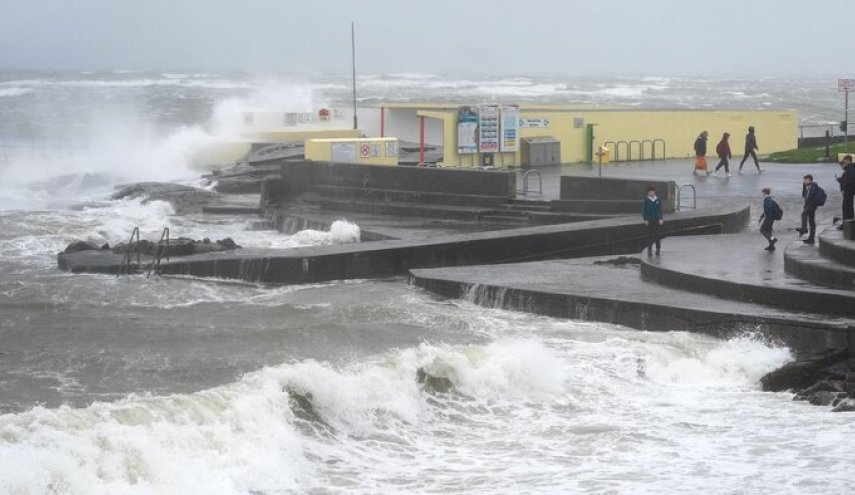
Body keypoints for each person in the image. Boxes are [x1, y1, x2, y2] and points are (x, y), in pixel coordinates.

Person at [797, 174, 823, 244]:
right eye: (804, 180)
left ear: (809, 180)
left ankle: (804, 229)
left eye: (805, 180)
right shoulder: (807, 186)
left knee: (803, 214)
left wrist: (807, 205)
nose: (804, 181)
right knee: (811, 221)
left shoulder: (814, 186)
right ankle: (811, 239)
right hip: (809, 205)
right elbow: (804, 195)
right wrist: (804, 186)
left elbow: (810, 196)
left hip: (812, 204)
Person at [835, 154, 855, 230]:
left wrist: (844, 189)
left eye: (845, 160)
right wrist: (839, 180)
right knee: (847, 208)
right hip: (849, 192)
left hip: (848, 192)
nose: (844, 161)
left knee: (847, 208)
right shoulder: (849, 169)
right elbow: (845, 180)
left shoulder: (850, 169)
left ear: (849, 160)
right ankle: (847, 224)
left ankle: (847, 225)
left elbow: (849, 181)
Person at [643, 186, 663, 255]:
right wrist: (645, 219)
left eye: (651, 192)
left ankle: (658, 249)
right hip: (649, 219)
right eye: (648, 192)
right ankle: (649, 250)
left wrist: (661, 218)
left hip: (656, 219)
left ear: (654, 192)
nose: (650, 193)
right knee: (650, 235)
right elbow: (644, 210)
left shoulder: (658, 199)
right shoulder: (646, 200)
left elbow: (660, 210)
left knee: (657, 234)